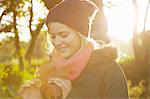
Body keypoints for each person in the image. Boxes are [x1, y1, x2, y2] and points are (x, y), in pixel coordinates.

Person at [19, 0, 129, 99]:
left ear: (81, 35)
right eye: (53, 36)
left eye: (64, 35)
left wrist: (72, 96)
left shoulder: (109, 71)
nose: (56, 42)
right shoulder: (50, 70)